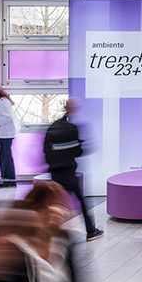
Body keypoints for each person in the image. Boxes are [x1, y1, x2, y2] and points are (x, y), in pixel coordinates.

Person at [43, 98, 102, 241]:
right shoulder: (72, 129)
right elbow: (78, 152)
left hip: (55, 173)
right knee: (81, 201)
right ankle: (90, 231)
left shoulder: (53, 127)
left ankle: (47, 233)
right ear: (73, 109)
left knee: (54, 204)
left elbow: (46, 151)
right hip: (68, 172)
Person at [0, 85, 18, 188]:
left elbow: (8, 117)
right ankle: (7, 178)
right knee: (4, 156)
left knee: (5, 157)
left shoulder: (1, 102)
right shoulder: (3, 101)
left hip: (6, 134)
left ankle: (9, 180)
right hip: (6, 133)